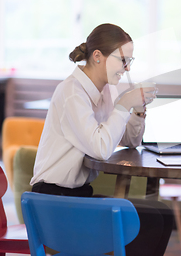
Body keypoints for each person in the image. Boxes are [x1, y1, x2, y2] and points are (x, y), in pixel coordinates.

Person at [30, 23, 172, 256]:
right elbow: (100, 147)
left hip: (77, 195)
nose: (126, 68)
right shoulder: (71, 93)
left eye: (130, 61)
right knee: (149, 222)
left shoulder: (105, 91)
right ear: (97, 56)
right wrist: (124, 104)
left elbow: (130, 139)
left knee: (161, 214)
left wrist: (137, 110)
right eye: (122, 60)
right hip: (52, 200)